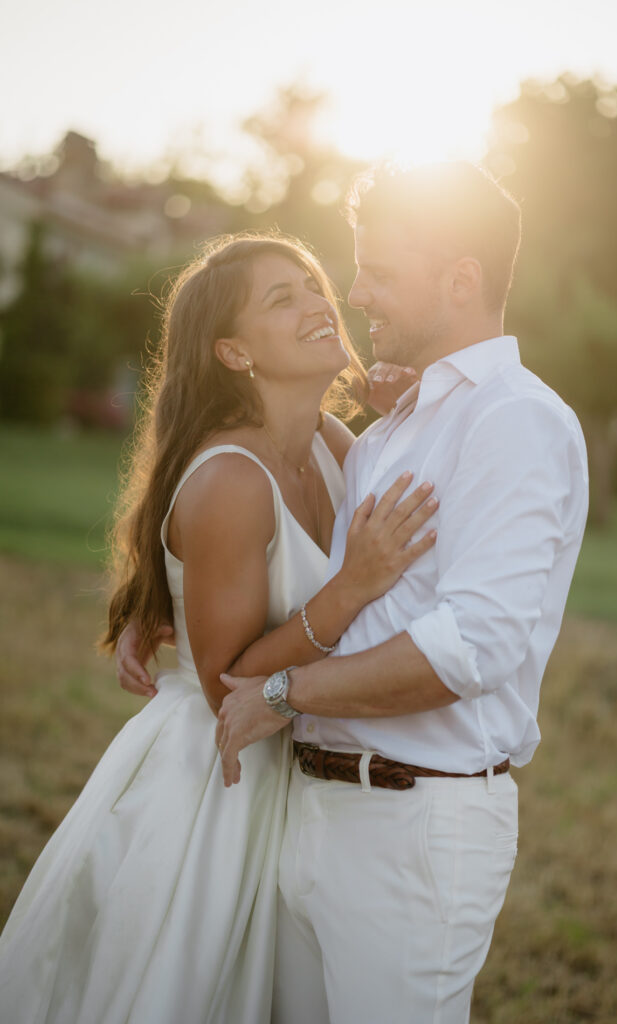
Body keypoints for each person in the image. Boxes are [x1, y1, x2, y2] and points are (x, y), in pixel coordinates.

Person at [0, 233, 438, 1024]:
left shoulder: (338, 446)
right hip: (217, 786)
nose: (316, 301)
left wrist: (409, 411)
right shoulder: (233, 478)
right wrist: (350, 588)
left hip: (304, 767)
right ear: (233, 353)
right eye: (282, 298)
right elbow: (225, 681)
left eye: (310, 283)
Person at [213, 163, 590, 1023]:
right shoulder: (392, 429)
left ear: (460, 279)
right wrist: (151, 605)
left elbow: (471, 648)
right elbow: (304, 564)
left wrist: (280, 693)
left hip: (414, 831)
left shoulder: (514, 419)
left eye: (379, 271)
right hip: (311, 812)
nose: (355, 292)